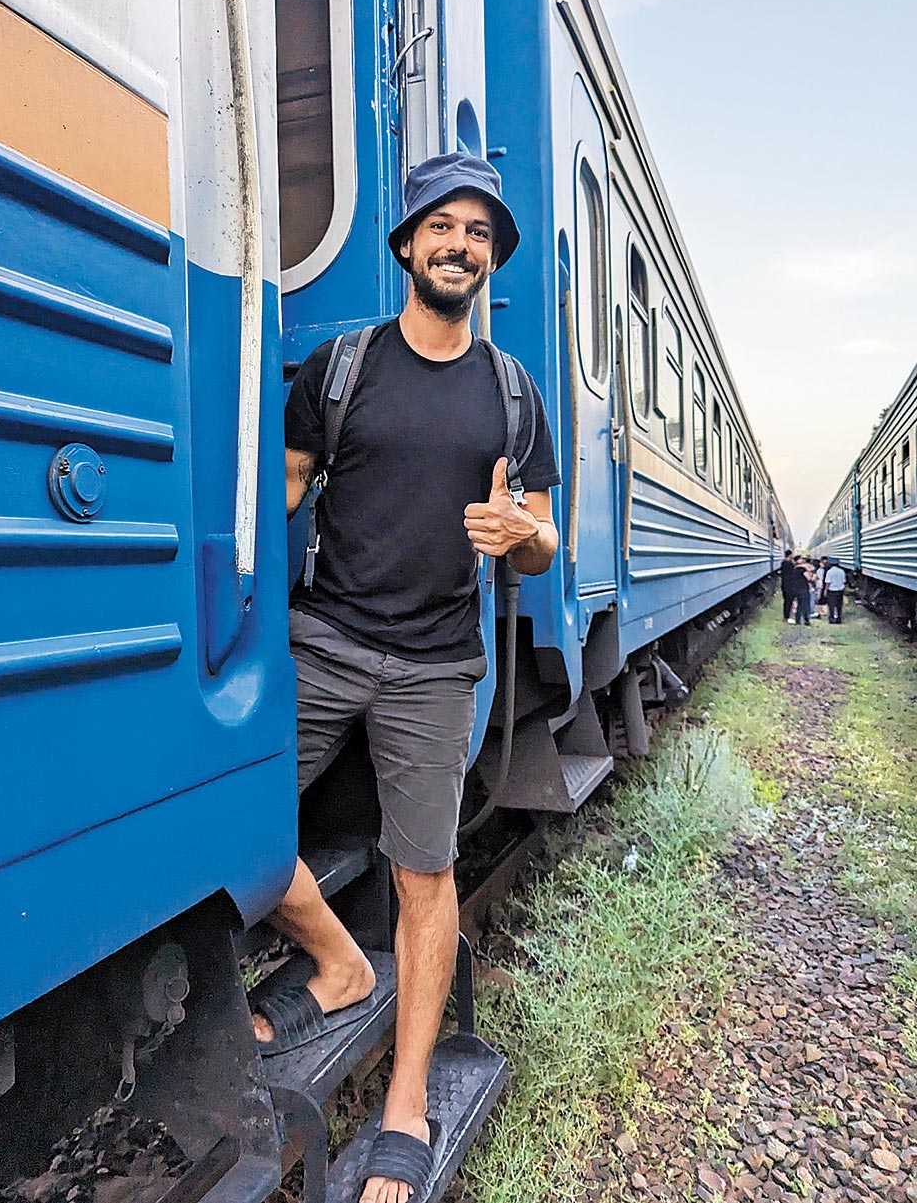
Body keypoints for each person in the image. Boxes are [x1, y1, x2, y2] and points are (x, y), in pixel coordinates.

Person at [265, 152, 560, 1203]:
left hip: (436, 668)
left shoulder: (512, 394)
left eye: (479, 234)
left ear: (492, 261)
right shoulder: (340, 368)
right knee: (234, 825)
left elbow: (544, 538)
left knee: (423, 877)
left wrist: (521, 535)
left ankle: (405, 1104)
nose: (459, 246)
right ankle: (340, 963)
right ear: (406, 245)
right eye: (442, 226)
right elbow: (282, 489)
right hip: (323, 642)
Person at [826, 558, 846, 623]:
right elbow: (844, 581)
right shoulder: (842, 571)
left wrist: (825, 591)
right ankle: (838, 619)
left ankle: (832, 619)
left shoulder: (829, 572)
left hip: (832, 591)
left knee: (831, 605)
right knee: (839, 605)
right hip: (840, 591)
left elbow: (828, 582)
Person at [792, 561, 811, 625]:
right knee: (805, 605)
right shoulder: (802, 570)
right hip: (803, 588)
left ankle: (798, 620)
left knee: (799, 605)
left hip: (796, 589)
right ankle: (806, 620)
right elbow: (809, 578)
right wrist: (809, 571)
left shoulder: (794, 570)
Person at [779, 549, 796, 620]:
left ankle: (786, 615)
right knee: (789, 600)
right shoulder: (790, 564)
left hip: (784, 584)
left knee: (786, 600)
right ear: (790, 555)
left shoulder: (783, 563)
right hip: (789, 584)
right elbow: (793, 574)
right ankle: (788, 615)